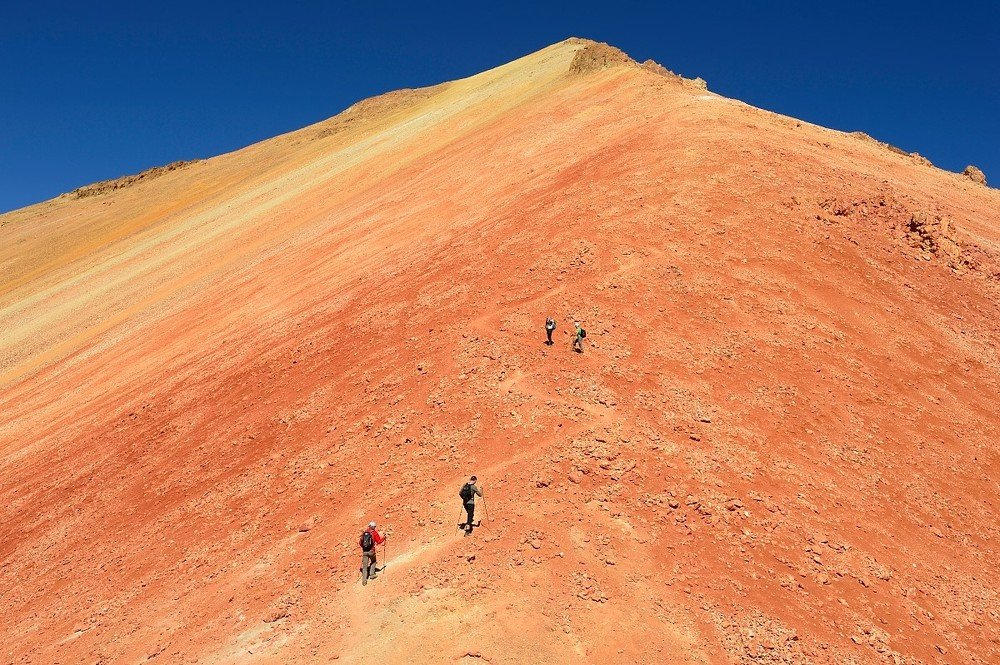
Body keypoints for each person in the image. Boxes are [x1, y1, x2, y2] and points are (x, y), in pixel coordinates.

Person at [359, 521, 385, 586]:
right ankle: (372, 574)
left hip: (365, 552)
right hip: (371, 551)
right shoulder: (374, 533)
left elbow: (360, 543)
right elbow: (378, 541)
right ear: (374, 527)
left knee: (364, 567)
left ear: (369, 526)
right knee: (374, 561)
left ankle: (364, 581)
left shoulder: (364, 533)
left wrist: (364, 548)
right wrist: (384, 538)